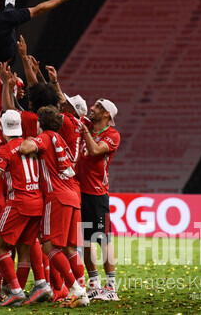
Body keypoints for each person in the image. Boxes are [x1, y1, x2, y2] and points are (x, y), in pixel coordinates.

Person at [20, 106, 88, 308]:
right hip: (72, 195)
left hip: (56, 196)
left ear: (40, 123)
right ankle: (82, 291)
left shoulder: (46, 137)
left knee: (48, 244)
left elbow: (25, 148)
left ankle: (75, 288)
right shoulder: (60, 139)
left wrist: (29, 137)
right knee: (68, 247)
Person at [0, 110, 43, 306]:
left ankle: (15, 290)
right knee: (24, 249)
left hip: (18, 203)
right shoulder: (31, 144)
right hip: (37, 202)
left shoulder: (5, 150)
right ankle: (18, 290)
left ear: (2, 128)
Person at [77, 99, 121, 301]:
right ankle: (94, 284)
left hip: (97, 195)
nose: (92, 109)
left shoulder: (112, 135)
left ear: (107, 116)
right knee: (85, 241)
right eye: (94, 106)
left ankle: (111, 288)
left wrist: (84, 131)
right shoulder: (87, 126)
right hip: (80, 193)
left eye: (98, 108)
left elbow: (94, 151)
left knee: (103, 240)